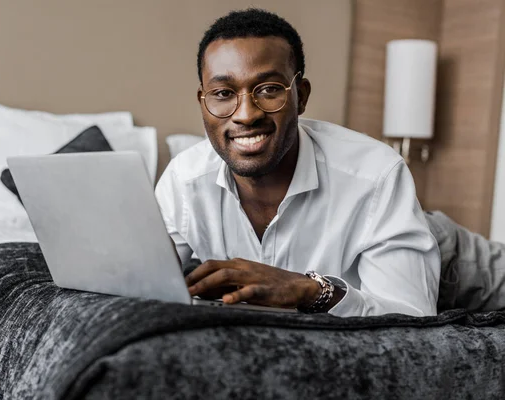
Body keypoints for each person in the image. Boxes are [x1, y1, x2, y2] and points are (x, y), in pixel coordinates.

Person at [155, 8, 441, 317]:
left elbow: (414, 318)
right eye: (223, 93)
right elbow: (137, 285)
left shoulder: (377, 174)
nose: (246, 115)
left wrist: (311, 291)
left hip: (441, 249)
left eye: (269, 90)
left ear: (301, 97)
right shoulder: (182, 180)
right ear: (203, 102)